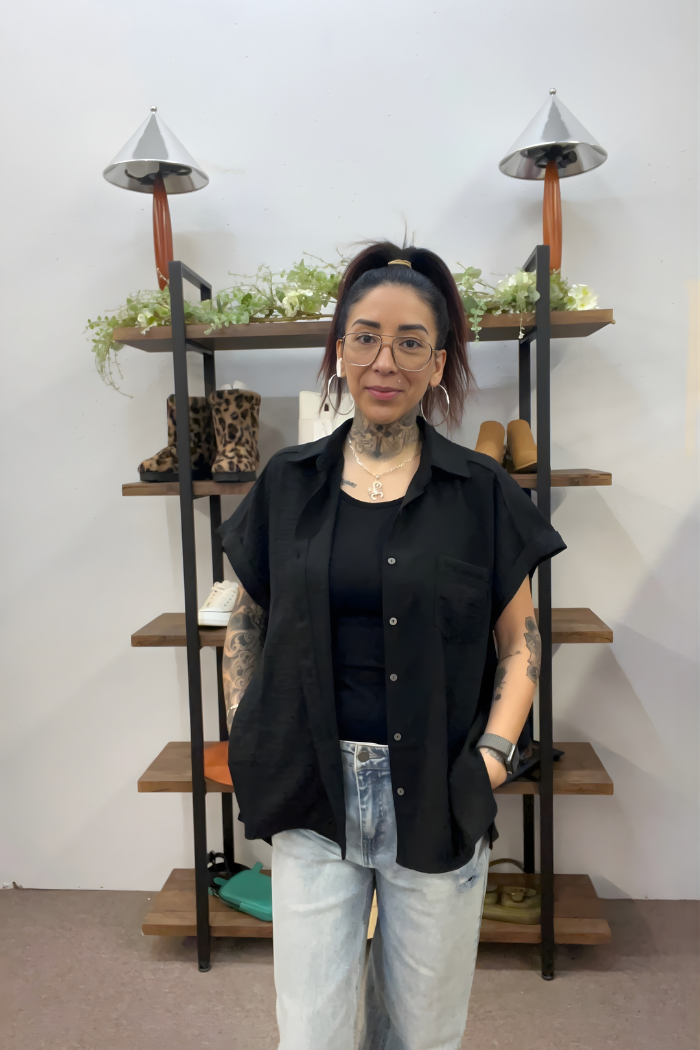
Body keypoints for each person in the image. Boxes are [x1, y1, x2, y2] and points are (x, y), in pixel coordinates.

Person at [218, 242, 566, 1050]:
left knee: (422, 1034)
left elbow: (521, 640)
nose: (386, 360)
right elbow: (246, 619)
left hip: (438, 786)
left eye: (412, 342)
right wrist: (249, 727)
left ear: (438, 363)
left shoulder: (479, 491)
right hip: (313, 790)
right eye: (366, 336)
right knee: (312, 1033)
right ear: (339, 347)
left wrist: (489, 757)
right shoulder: (288, 482)